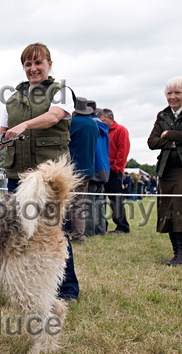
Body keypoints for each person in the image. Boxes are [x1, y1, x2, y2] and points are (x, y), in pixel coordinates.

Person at [0, 42, 79, 304]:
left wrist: (25, 125)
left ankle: (67, 290)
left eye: (38, 63)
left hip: (47, 178)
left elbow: (53, 117)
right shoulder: (13, 98)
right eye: (28, 64)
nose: (33, 68)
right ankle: (24, 284)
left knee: (51, 231)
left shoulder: (61, 91)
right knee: (17, 231)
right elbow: (3, 129)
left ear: (50, 64)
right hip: (17, 174)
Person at [147, 76, 182, 265]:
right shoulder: (162, 115)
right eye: (169, 93)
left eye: (177, 93)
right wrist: (176, 140)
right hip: (165, 170)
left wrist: (169, 135)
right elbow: (152, 142)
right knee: (167, 209)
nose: (172, 97)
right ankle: (176, 251)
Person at [66, 97, 98, 244]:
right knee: (80, 205)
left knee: (61, 204)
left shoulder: (72, 123)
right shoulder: (94, 124)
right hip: (88, 169)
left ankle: (62, 235)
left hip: (72, 169)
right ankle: (79, 237)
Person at [99, 108, 131, 233]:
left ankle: (122, 226)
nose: (101, 122)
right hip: (104, 170)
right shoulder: (103, 130)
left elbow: (123, 151)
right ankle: (103, 225)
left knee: (115, 200)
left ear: (110, 118)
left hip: (114, 171)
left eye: (103, 120)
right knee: (101, 200)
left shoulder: (121, 130)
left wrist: (116, 168)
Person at [84, 102, 110, 237]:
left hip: (93, 166)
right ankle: (100, 230)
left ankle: (88, 231)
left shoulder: (89, 126)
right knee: (99, 202)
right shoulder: (105, 127)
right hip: (104, 168)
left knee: (88, 202)